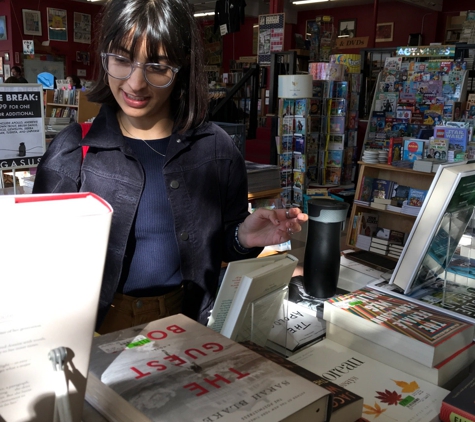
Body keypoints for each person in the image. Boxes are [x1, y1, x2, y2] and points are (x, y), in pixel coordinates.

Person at [33, 0, 307, 334]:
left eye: (157, 66)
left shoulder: (216, 149)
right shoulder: (72, 150)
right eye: (121, 60)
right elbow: (41, 263)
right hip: (95, 324)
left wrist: (244, 236)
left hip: (187, 317)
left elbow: (221, 246)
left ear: (181, 69)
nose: (135, 83)